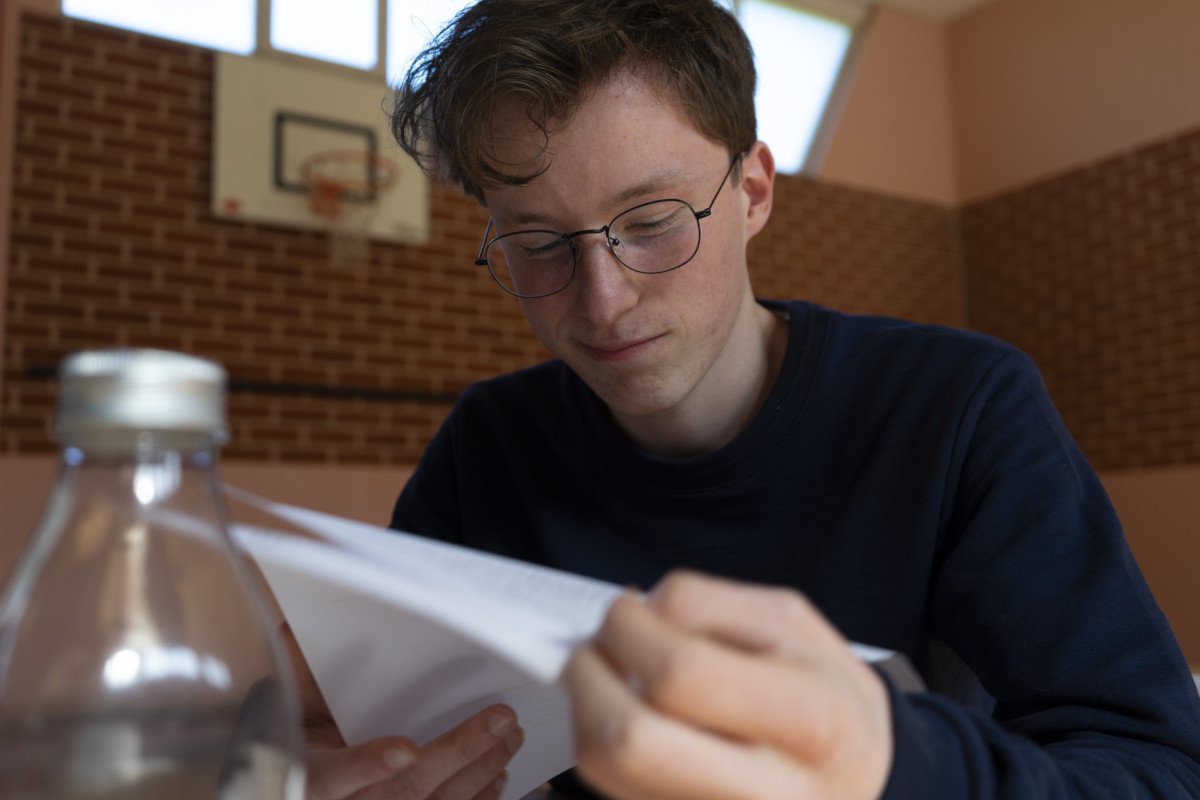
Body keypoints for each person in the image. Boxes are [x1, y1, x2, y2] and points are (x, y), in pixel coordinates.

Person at [295, 0, 1200, 797]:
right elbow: (385, 733)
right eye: (537, 244)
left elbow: (1158, 766)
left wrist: (887, 766)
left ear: (754, 191)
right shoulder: (485, 447)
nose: (602, 300)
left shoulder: (959, 408)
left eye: (652, 223)